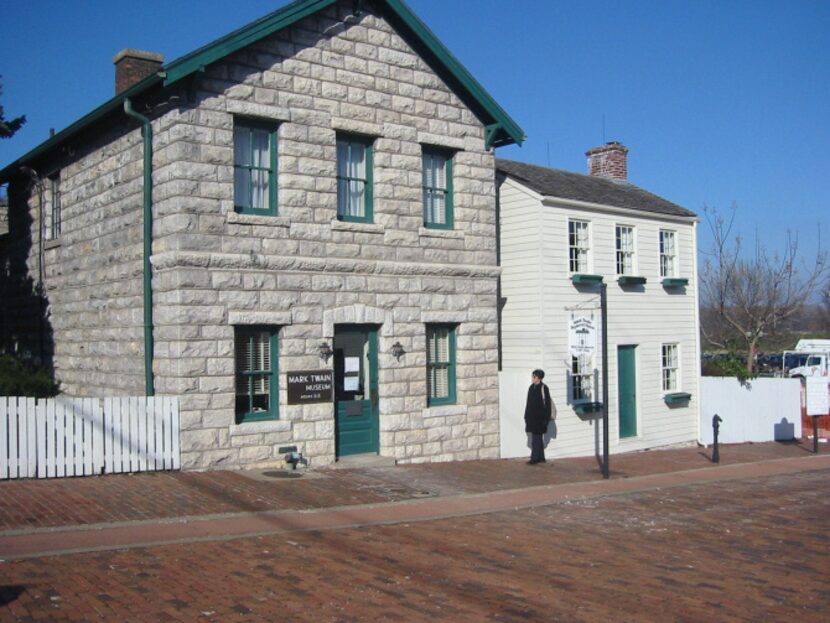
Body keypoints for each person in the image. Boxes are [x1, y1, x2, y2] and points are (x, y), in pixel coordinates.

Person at [524, 368, 552, 464]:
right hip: (532, 417)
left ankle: (534, 458)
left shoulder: (544, 388)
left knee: (536, 438)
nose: (532, 378)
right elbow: (528, 403)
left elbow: (547, 404)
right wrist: (526, 415)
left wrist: (546, 418)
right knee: (537, 437)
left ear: (539, 378)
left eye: (534, 376)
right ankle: (541, 457)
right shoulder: (531, 388)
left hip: (540, 418)